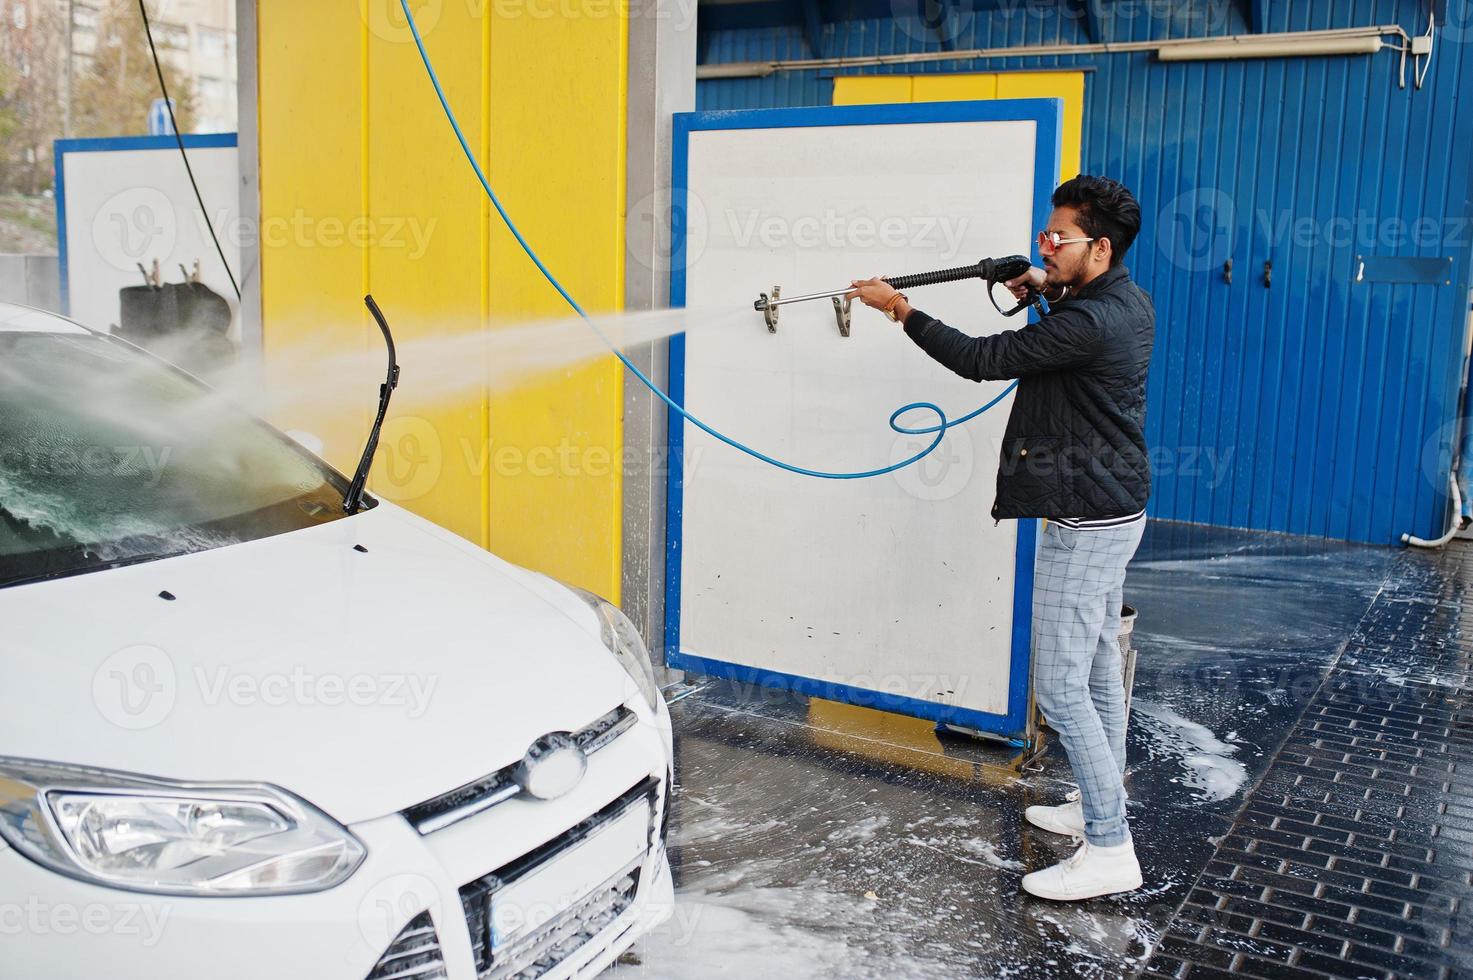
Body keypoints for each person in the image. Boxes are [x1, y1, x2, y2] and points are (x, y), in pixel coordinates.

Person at [846, 175, 1154, 901]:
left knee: (1059, 683)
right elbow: (1065, 329)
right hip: (1111, 507)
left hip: (1086, 518)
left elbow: (981, 361)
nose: (1045, 246)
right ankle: (1096, 804)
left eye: (1059, 239)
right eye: (1044, 235)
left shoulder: (1091, 320)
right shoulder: (1116, 300)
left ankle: (1110, 849)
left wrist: (900, 310)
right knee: (1097, 668)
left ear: (1099, 247)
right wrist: (1039, 285)